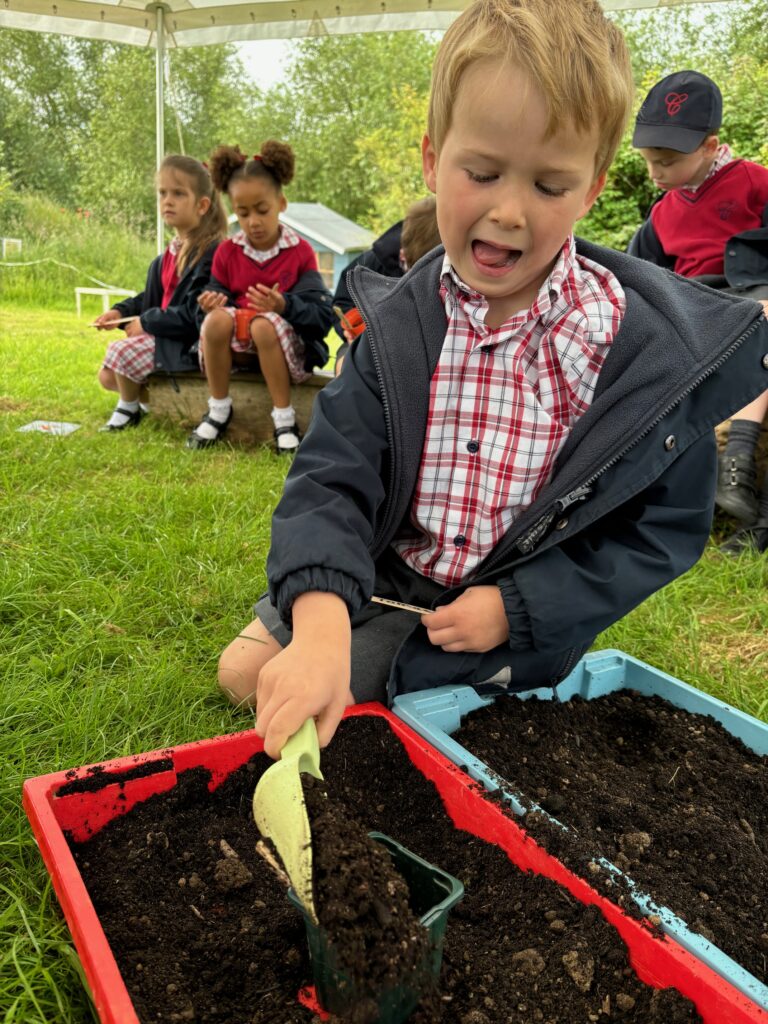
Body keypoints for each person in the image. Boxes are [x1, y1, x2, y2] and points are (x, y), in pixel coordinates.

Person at [218, 0, 768, 760]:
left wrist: (517, 607)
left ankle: (447, 677)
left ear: (592, 187)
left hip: (501, 612)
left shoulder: (631, 352)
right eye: (481, 173)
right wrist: (318, 626)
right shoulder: (404, 325)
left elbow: (659, 534)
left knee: (404, 738)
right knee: (246, 672)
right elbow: (332, 478)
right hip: (391, 572)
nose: (509, 211)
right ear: (432, 159)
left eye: (549, 186)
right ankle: (348, 638)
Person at [628, 70, 768, 554]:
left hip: (752, 300)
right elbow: (639, 274)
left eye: (666, 162)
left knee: (761, 321)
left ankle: (740, 465)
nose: (655, 174)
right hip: (694, 311)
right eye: (648, 162)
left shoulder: (755, 185)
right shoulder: (663, 213)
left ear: (710, 146)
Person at [189, 141, 334, 452]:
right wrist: (212, 301)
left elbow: (322, 318)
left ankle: (284, 419)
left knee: (263, 324)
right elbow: (217, 295)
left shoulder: (300, 252)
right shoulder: (227, 252)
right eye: (242, 213)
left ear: (281, 203)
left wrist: (283, 305)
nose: (253, 221)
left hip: (287, 352)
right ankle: (218, 409)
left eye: (262, 210)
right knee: (215, 321)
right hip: (239, 354)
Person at [94, 155, 226, 431]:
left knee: (120, 353)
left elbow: (194, 314)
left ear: (202, 205)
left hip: (186, 343)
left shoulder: (211, 254)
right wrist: (121, 312)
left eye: (178, 193)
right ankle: (155, 402)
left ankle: (128, 410)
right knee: (107, 376)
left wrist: (147, 322)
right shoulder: (168, 255)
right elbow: (151, 298)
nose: (167, 200)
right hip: (163, 336)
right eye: (163, 193)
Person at [332, 197, 441, 373]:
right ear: (403, 253)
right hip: (363, 345)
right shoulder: (372, 263)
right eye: (410, 269)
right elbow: (343, 303)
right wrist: (352, 329)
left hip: (418, 354)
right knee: (345, 366)